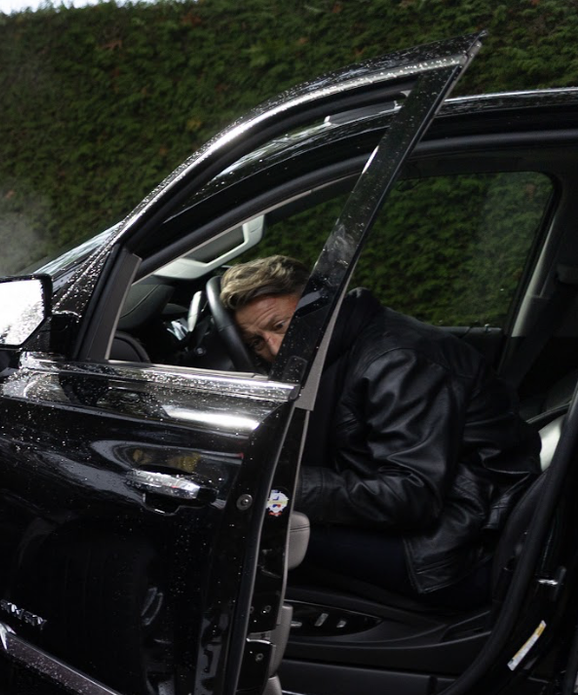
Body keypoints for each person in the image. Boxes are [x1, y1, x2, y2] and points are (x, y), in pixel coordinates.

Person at [222, 254, 537, 608]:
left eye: (280, 325)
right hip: (437, 527)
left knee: (237, 535)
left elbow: (412, 495)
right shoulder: (343, 350)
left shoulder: (399, 360)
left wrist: (279, 484)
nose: (275, 349)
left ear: (322, 303)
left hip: (451, 546)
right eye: (256, 342)